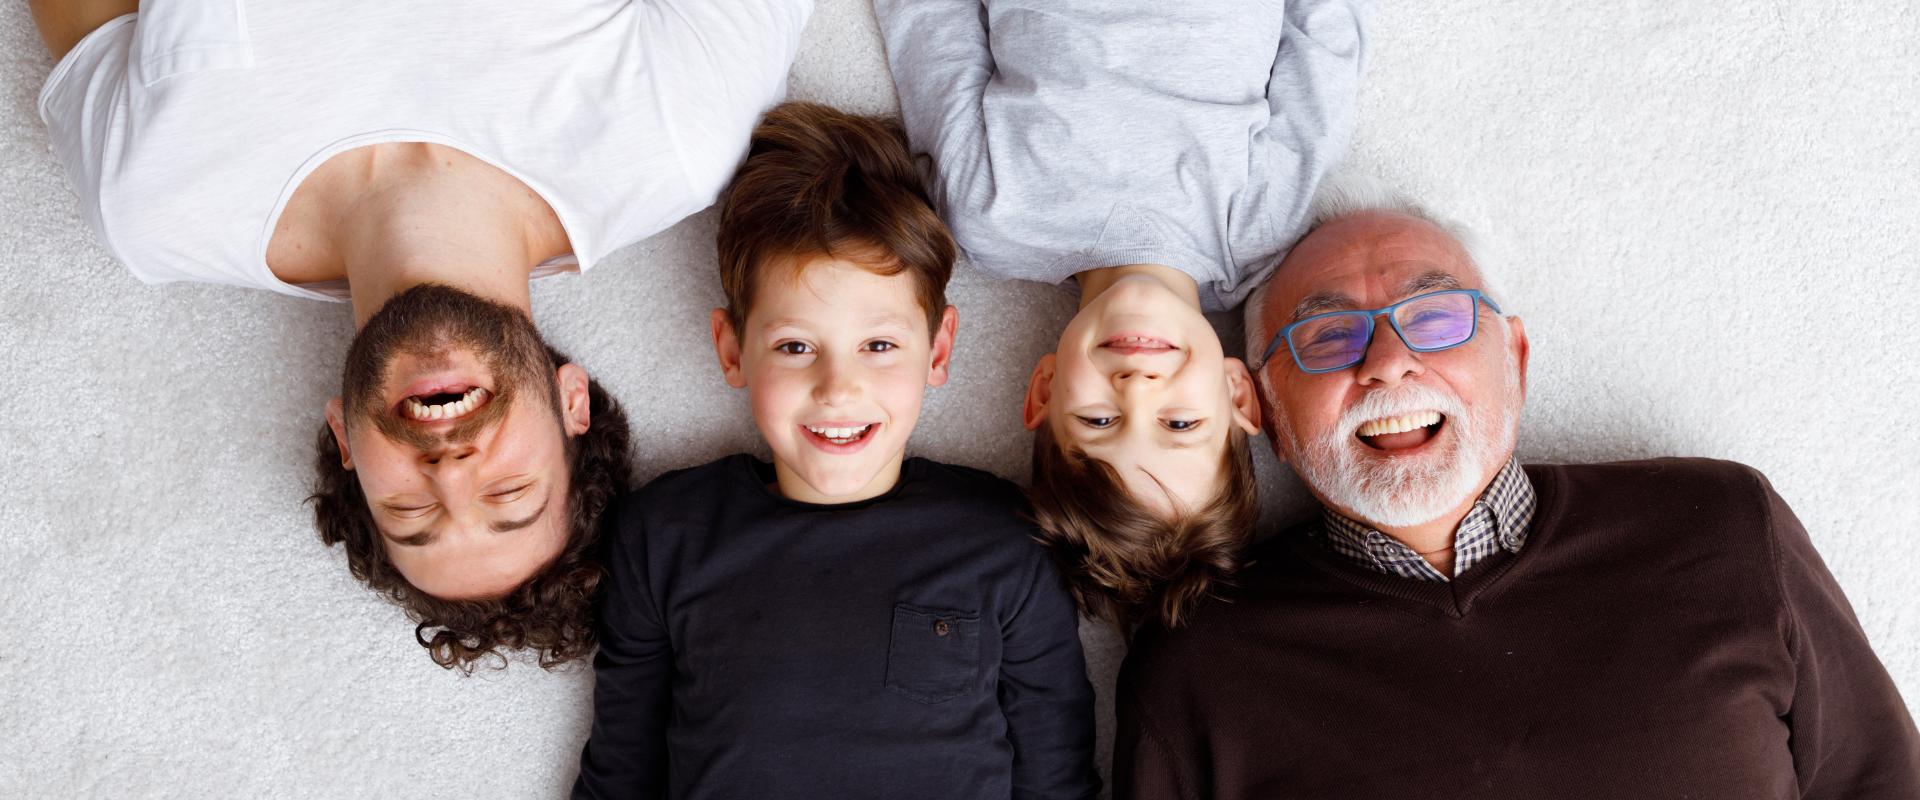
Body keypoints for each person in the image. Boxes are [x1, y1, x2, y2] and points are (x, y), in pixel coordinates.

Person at [29, 0, 810, 669]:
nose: (450, 469)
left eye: (411, 513)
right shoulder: (676, 142)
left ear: (344, 440)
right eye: (510, 493)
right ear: (573, 405)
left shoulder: (154, 201)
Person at [1112, 173, 1920, 798]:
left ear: (1517, 361)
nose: (1388, 361)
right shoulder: (1200, 655)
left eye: (1435, 319)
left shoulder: (1723, 527)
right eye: (1327, 336)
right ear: (1262, 410)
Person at [573, 103, 1099, 799]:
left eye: (879, 346)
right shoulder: (664, 536)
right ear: (733, 351)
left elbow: (1059, 781)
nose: (837, 388)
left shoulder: (1007, 538)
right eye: (795, 347)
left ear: (938, 350)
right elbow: (619, 778)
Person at [872, 0, 1372, 630]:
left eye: (1101, 419)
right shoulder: (1261, 231)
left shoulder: (991, 219)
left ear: (1046, 389)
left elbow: (929, 29)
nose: (1137, 389)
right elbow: (1325, 49)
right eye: (1181, 422)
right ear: (1237, 392)